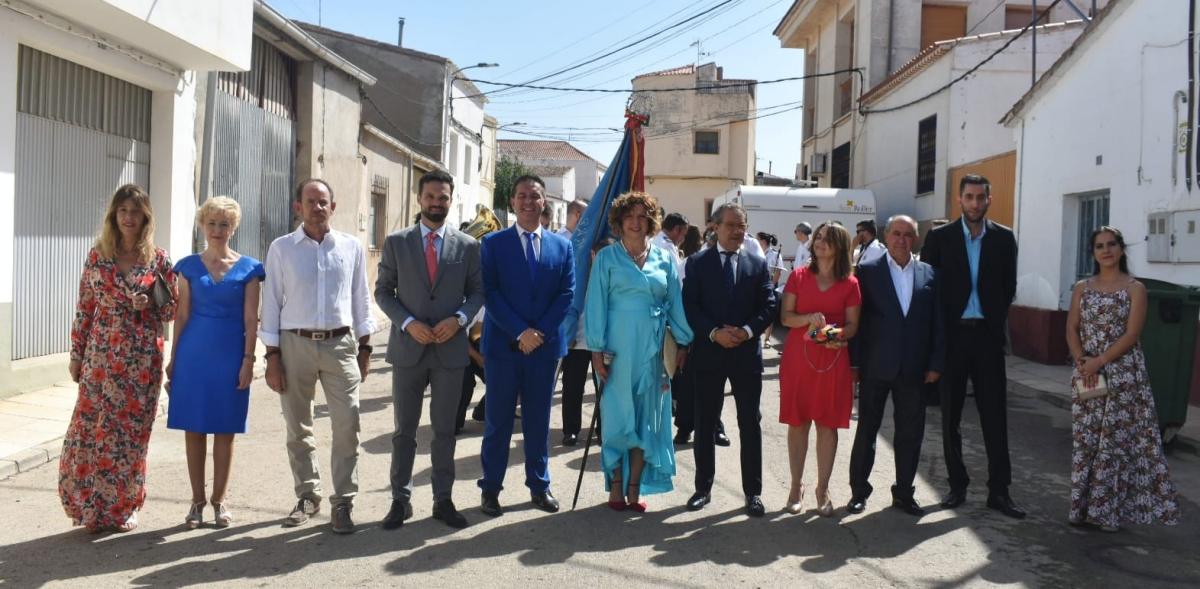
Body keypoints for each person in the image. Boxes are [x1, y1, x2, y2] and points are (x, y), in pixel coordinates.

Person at [260, 178, 375, 534]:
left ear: (333, 207)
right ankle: (308, 495)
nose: (317, 207)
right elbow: (272, 303)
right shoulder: (281, 249)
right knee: (299, 427)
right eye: (310, 201)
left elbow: (361, 298)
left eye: (323, 201)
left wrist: (366, 346)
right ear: (298, 207)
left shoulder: (351, 247)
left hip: (340, 345)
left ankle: (343, 502)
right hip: (295, 345)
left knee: (347, 426)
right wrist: (272, 357)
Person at [60, 184, 177, 533]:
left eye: (135, 211)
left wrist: (151, 303)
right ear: (114, 215)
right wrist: (76, 354)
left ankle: (126, 506)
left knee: (130, 436)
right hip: (100, 356)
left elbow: (172, 308)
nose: (129, 217)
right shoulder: (98, 255)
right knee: (91, 433)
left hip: (141, 361)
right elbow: (85, 307)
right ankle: (89, 508)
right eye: (123, 210)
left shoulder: (158, 259)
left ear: (145, 217)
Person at [375, 170, 484, 531]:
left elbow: (478, 293)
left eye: (444, 197)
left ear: (451, 200)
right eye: (431, 197)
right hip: (409, 348)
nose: (437, 203)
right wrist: (408, 323)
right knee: (404, 431)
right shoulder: (396, 241)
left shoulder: (468, 245)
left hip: (450, 351)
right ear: (419, 198)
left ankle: (443, 499)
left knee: (444, 431)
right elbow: (383, 292)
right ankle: (400, 500)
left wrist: (460, 319)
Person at [920, 174, 1024, 518]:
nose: (975, 203)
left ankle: (999, 491)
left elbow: (1008, 286)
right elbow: (930, 291)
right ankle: (957, 485)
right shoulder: (940, 238)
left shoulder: (1004, 238)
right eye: (969, 197)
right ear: (960, 200)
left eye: (981, 197)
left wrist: (993, 319)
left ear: (989, 199)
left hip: (987, 338)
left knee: (995, 416)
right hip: (952, 338)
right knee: (950, 417)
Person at [1065, 226, 1179, 532]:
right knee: (1088, 439)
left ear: (1121, 249)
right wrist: (1082, 361)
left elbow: (1132, 335)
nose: (1106, 250)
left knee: (1114, 443)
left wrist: (1100, 361)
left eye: (1111, 244)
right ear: (1093, 253)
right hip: (1088, 375)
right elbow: (1071, 327)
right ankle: (1082, 508)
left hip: (1124, 377)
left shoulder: (1135, 289)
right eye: (1099, 246)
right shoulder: (1082, 288)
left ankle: (1107, 514)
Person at [585, 193, 693, 512]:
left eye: (642, 216)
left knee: (648, 419)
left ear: (650, 222)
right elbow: (595, 306)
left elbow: (675, 302)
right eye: (629, 216)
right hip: (616, 350)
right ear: (619, 222)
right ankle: (616, 485)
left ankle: (635, 487)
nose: (635, 222)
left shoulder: (663, 258)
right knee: (618, 418)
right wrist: (595, 349)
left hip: (653, 351)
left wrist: (684, 341)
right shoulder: (606, 258)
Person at [478, 174, 574, 516]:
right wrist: (521, 332)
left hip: (544, 349)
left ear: (544, 201)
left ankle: (539, 486)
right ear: (512, 201)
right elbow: (491, 293)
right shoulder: (493, 243)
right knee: (498, 422)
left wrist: (540, 333)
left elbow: (566, 294)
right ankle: (490, 489)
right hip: (504, 347)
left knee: (537, 421)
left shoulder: (562, 247)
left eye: (534, 196)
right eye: (521, 196)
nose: (528, 201)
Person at [166, 196, 264, 529]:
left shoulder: (250, 268)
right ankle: (196, 503)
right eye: (212, 223)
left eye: (224, 224)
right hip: (194, 355)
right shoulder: (187, 266)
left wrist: (249, 360)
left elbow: (252, 319)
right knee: (193, 429)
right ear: (202, 226)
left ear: (233, 227)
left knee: (226, 429)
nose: (218, 229)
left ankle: (219, 502)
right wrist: (173, 359)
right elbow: (182, 315)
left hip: (230, 355)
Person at [682, 203, 777, 517]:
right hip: (709, 355)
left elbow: (768, 304)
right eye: (731, 225)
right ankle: (702, 488)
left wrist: (748, 331)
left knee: (750, 423)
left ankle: (753, 493)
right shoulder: (696, 263)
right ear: (715, 227)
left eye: (742, 225)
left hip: (745, 355)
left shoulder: (757, 264)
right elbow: (690, 306)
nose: (738, 231)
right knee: (705, 422)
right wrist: (712, 333)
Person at [846, 215, 943, 517]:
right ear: (886, 236)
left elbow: (938, 324)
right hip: (876, 366)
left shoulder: (930, 275)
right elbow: (858, 323)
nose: (902, 239)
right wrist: (855, 364)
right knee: (867, 431)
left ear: (916, 239)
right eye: (897, 233)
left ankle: (904, 493)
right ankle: (859, 492)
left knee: (910, 434)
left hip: (914, 369)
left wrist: (935, 363)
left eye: (909, 234)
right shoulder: (867, 272)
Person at [778, 221, 860, 516]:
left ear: (840, 246)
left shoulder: (850, 282)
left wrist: (832, 337)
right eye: (818, 238)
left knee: (827, 424)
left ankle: (822, 488)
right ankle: (795, 486)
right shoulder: (799, 276)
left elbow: (852, 325)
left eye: (826, 239)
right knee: (798, 423)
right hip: (799, 358)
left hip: (833, 359)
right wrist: (808, 319)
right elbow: (786, 317)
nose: (819, 243)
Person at [653, 212, 689, 279]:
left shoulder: (657, 240)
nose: (683, 240)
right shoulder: (666, 246)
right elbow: (676, 275)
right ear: (676, 229)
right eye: (683, 235)